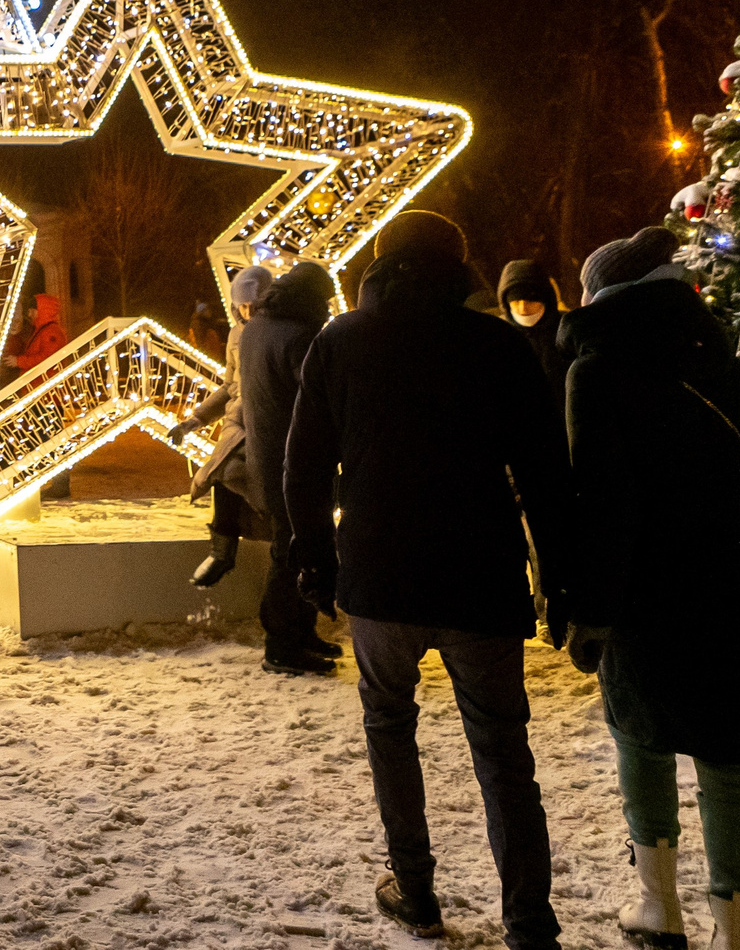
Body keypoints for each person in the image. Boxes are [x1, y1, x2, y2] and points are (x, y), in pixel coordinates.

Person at [285, 210, 575, 950]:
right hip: (480, 575)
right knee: (504, 750)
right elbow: (546, 475)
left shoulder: (341, 340)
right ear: (462, 267)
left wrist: (314, 556)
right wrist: (562, 575)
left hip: (381, 574)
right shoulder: (501, 347)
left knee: (389, 724)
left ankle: (415, 890)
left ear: (379, 267)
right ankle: (529, 921)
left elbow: (305, 465)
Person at [559, 228, 740, 950]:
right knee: (729, 764)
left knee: (641, 735)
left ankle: (658, 904)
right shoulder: (718, 362)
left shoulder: (595, 370)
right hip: (737, 588)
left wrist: (589, 613)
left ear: (603, 295)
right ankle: (739, 936)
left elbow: (603, 505)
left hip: (647, 597)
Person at [230, 261, 337, 674]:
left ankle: (298, 633)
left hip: (267, 455)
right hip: (296, 459)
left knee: (294, 544)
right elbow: (316, 398)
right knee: (292, 549)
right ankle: (281, 644)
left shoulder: (257, 328)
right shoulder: (300, 336)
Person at [174, 264, 272, 589]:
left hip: (268, 423)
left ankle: (248, 545)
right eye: (244, 305)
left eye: (256, 304)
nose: (249, 311)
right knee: (223, 474)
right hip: (236, 423)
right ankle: (223, 550)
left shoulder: (280, 331)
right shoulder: (234, 333)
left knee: (232, 473)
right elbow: (229, 386)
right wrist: (196, 419)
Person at [496, 260, 569, 424]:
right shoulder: (497, 334)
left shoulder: (567, 327)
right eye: (515, 302)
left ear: (545, 299)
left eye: (530, 301)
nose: (523, 309)